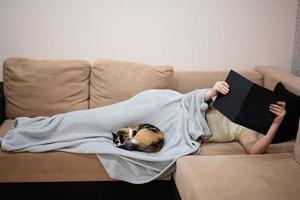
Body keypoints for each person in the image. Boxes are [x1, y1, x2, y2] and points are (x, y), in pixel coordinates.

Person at [203, 81, 286, 154]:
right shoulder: (231, 98)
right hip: (195, 112)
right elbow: (195, 99)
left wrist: (276, 123)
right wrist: (213, 91)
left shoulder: (246, 129)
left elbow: (254, 150)